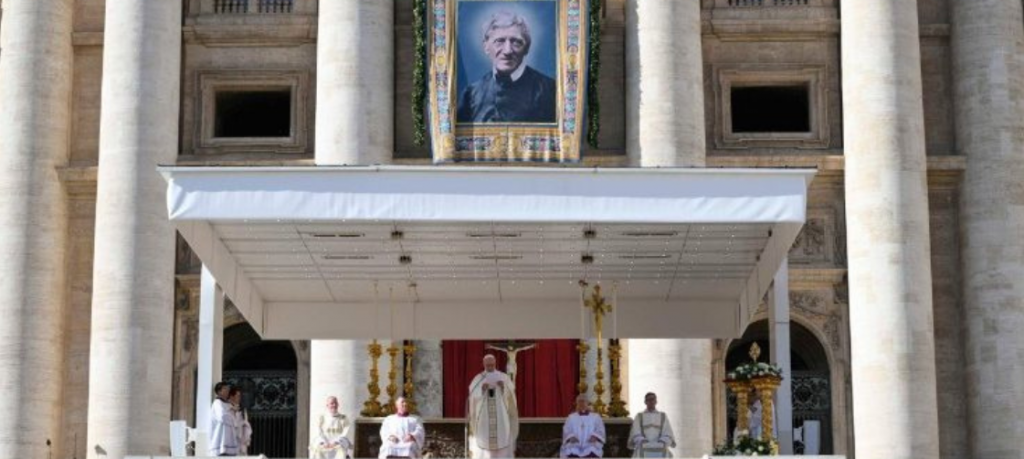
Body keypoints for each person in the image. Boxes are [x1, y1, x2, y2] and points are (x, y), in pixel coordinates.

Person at [456, 10, 557, 123]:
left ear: (527, 48)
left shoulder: (550, 90)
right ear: (486, 47)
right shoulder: (471, 94)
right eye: (499, 41)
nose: (507, 51)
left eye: (516, 42)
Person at [468, 354, 519, 458]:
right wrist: (481, 389)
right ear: (484, 364)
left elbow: (511, 392)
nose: (490, 367)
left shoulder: (503, 377)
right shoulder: (479, 378)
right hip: (484, 416)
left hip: (501, 414)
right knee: (484, 442)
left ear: (495, 363)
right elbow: (472, 393)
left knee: (502, 440)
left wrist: (503, 386)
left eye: (492, 364)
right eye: (488, 365)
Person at [628, 392, 676, 458]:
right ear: (645, 402)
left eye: (653, 399)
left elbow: (667, 431)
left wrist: (663, 440)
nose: (651, 401)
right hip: (643, 444)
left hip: (660, 444)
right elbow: (636, 431)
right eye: (649, 400)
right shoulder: (639, 416)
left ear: (656, 401)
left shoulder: (663, 416)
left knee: (666, 452)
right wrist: (642, 440)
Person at [208, 382, 240, 456]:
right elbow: (222, 417)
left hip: (230, 439)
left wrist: (234, 411)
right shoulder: (217, 403)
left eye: (227, 388)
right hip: (220, 440)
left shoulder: (228, 404)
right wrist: (232, 414)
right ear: (219, 392)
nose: (227, 390)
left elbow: (236, 420)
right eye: (224, 388)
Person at [228, 387, 253, 456]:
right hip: (231, 438)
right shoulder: (227, 408)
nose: (239, 398)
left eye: (239, 396)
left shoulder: (242, 410)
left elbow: (246, 424)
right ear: (231, 396)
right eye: (237, 396)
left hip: (241, 439)